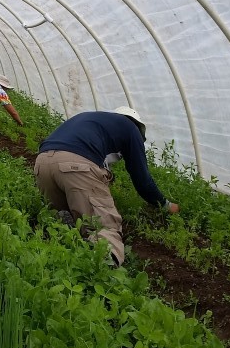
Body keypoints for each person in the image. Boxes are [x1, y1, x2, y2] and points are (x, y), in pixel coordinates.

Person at [34, 106, 179, 266]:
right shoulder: (131, 129)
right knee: (103, 225)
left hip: (42, 164)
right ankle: (102, 268)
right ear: (137, 125)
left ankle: (59, 237)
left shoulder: (91, 120)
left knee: (65, 213)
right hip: (75, 166)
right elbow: (142, 180)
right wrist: (164, 204)